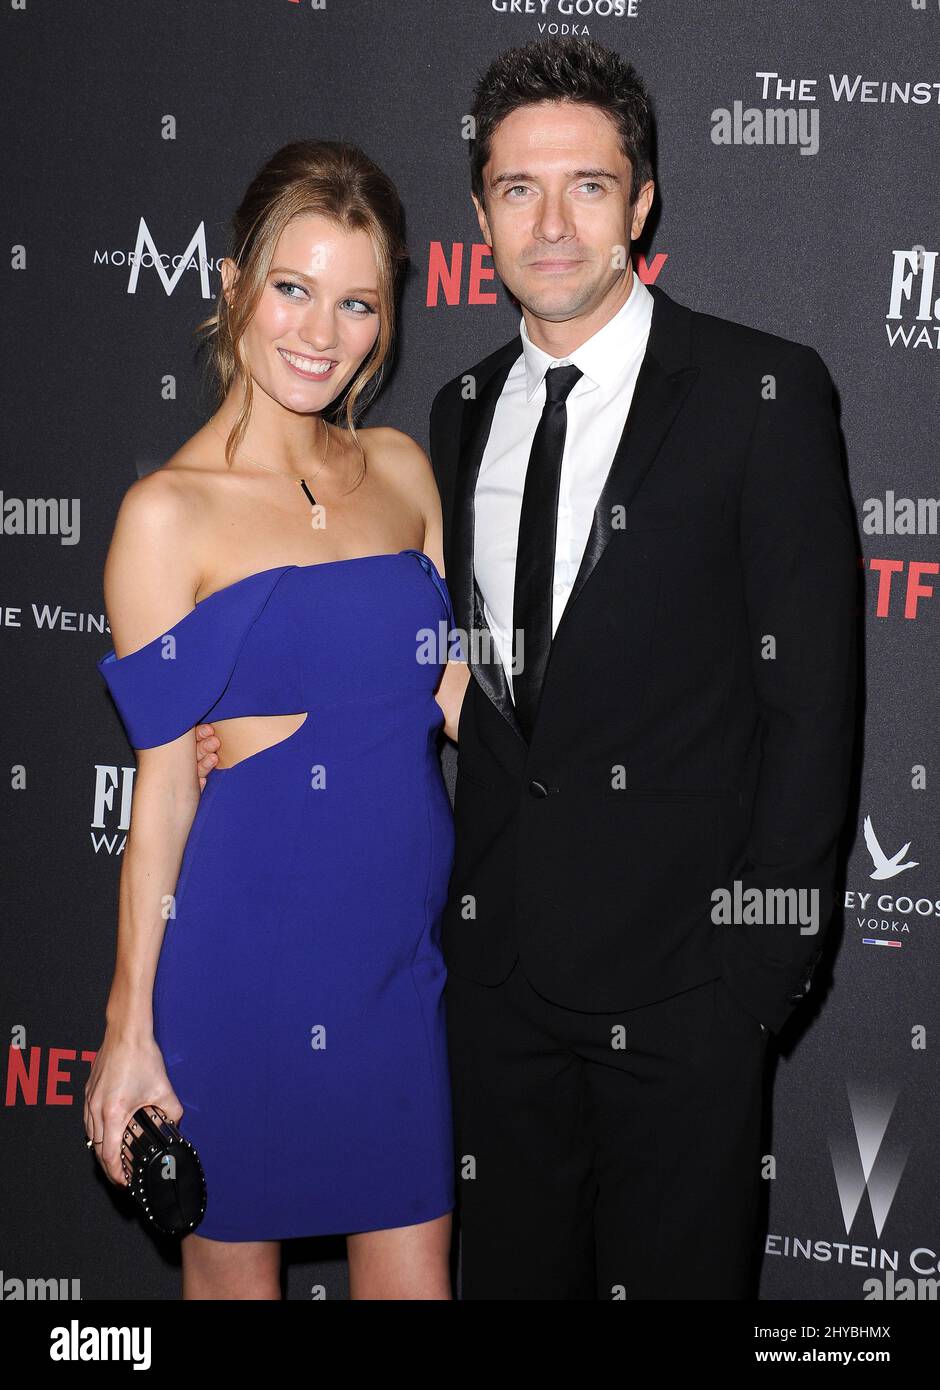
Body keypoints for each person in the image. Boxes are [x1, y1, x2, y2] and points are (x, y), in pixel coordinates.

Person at [198, 37, 858, 1300]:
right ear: (480, 213)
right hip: (491, 991)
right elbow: (444, 671)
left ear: (640, 203)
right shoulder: (455, 414)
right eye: (518, 189)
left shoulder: (758, 393)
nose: (551, 224)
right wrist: (269, 722)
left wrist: (757, 979)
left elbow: (813, 704)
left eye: (587, 186)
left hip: (689, 990)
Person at [87, 139, 468, 1301]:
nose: (320, 331)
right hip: (240, 969)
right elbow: (162, 793)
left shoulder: (401, 470)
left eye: (356, 301)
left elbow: (457, 697)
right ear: (233, 287)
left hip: (394, 968)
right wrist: (129, 1027)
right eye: (292, 288)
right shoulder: (167, 514)